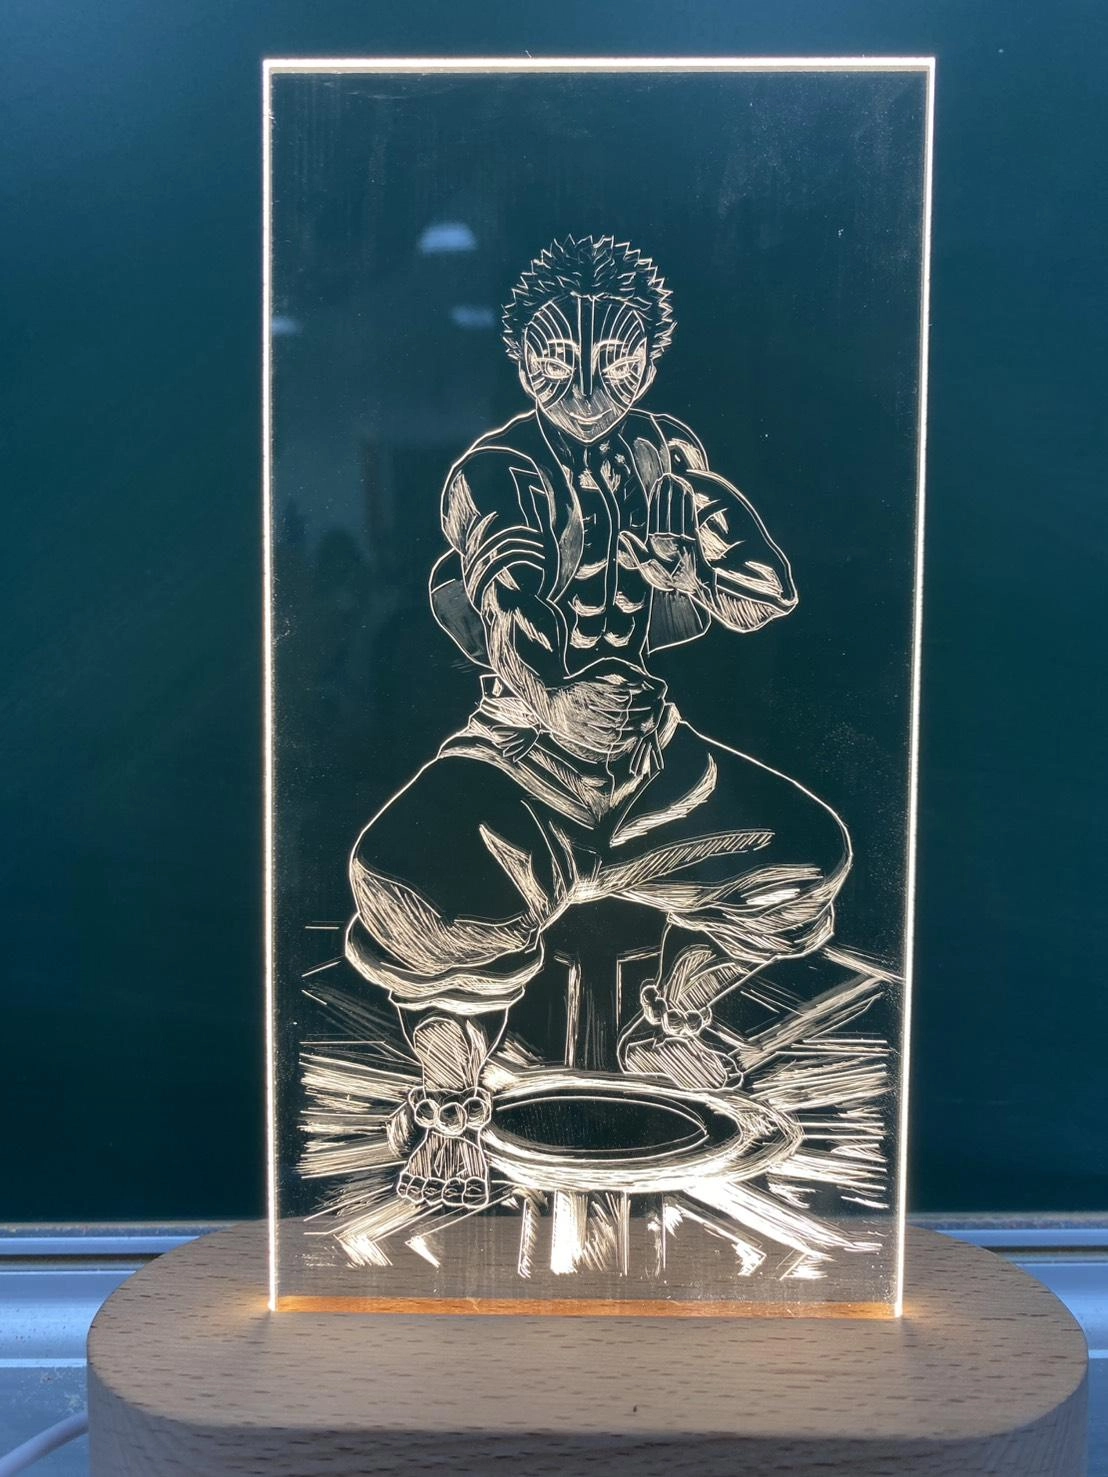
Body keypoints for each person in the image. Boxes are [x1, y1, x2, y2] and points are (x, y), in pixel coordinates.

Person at [344, 235, 850, 1209]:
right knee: (410, 891)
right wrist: (556, 699)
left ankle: (673, 1022)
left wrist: (696, 564)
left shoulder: (669, 454)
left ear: (650, 359)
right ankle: (450, 1105)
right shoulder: (494, 472)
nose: (582, 389)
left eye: (612, 361)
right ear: (518, 356)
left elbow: (766, 596)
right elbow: (507, 604)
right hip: (518, 761)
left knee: (806, 862)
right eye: (555, 360)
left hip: (656, 769)